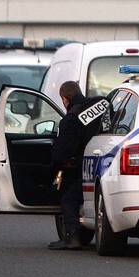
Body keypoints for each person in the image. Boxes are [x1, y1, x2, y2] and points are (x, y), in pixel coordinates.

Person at [47, 80, 109, 250]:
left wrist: (53, 168)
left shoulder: (71, 119)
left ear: (65, 99)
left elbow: (61, 154)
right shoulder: (102, 102)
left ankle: (72, 237)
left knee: (68, 199)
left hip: (85, 168)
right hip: (108, 162)